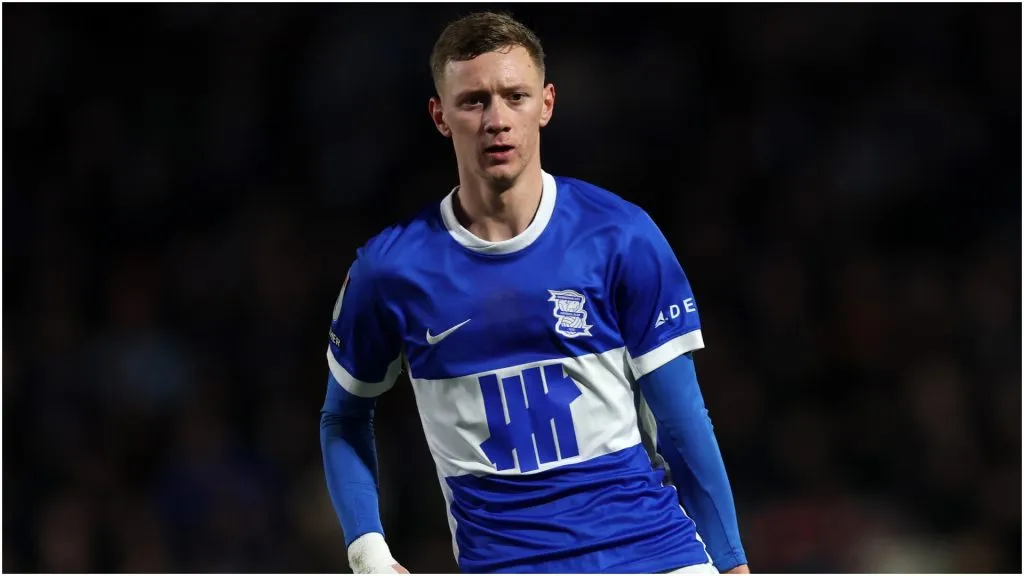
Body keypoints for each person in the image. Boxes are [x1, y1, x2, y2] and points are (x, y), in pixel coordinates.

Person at [320, 11, 748, 574]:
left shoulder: (620, 236)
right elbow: (344, 418)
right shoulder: (390, 271)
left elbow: (682, 419)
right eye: (473, 101)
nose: (497, 120)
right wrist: (369, 553)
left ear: (546, 103)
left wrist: (734, 563)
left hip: (655, 556)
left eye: (514, 96)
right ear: (440, 115)